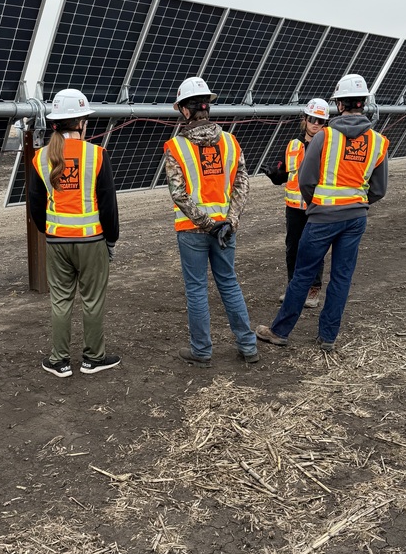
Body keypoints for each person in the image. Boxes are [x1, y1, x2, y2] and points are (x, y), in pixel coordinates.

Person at [256, 73, 389, 352]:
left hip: (322, 217)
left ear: (338, 105)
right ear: (363, 103)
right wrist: (357, 202)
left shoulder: (325, 137)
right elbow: (378, 189)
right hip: (355, 219)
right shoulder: (378, 141)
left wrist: (316, 204)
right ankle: (327, 337)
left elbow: (306, 180)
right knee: (341, 277)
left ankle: (280, 331)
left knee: (303, 274)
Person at [164, 76, 259, 367]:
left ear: (185, 110)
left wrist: (207, 223)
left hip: (193, 230)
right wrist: (229, 221)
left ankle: (202, 351)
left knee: (196, 289)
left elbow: (179, 194)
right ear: (207, 107)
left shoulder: (175, 147)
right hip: (225, 230)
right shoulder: (231, 142)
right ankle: (248, 346)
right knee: (229, 284)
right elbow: (242, 183)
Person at [28, 88, 121, 377]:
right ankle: (94, 358)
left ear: (55, 123)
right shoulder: (97, 155)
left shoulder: (41, 157)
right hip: (92, 242)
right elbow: (108, 205)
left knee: (60, 300)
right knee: (92, 300)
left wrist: (51, 232)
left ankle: (60, 361)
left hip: (57, 243)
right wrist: (111, 239)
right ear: (81, 122)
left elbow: (35, 206)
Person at [263, 98, 330, 309]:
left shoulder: (329, 146)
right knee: (293, 249)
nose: (316, 123)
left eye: (320, 120)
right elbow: (287, 174)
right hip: (293, 208)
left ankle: (313, 290)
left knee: (314, 249)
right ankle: (294, 288)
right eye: (312, 119)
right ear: (305, 119)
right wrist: (276, 175)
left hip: (317, 206)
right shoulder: (293, 144)